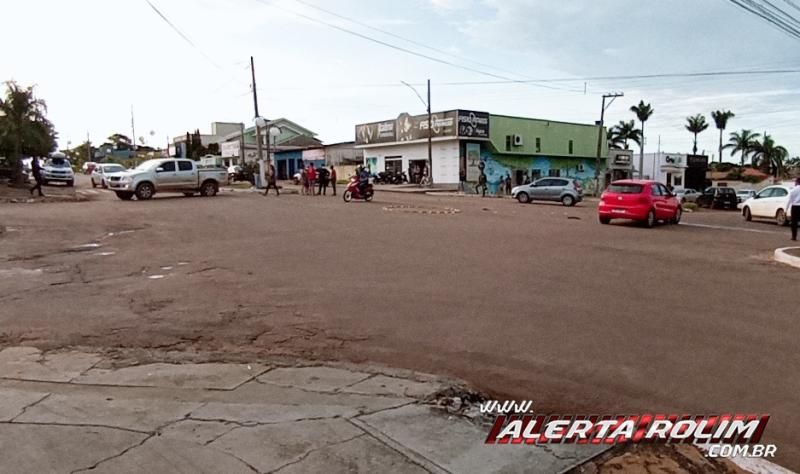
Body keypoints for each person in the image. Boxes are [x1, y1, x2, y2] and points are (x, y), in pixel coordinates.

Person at [787, 177, 800, 241]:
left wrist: (786, 209)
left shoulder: (793, 190)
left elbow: (790, 200)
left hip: (795, 207)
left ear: (797, 182)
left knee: (794, 222)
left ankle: (794, 236)